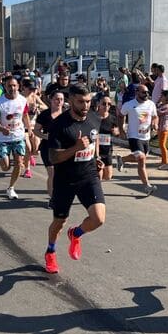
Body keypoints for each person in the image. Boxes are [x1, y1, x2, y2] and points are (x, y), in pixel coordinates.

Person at [44, 83, 106, 274]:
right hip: (65, 179)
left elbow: (94, 138)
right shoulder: (59, 125)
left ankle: (76, 233)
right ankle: (50, 251)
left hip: (88, 176)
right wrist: (76, 148)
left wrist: (96, 158)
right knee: (59, 222)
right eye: (80, 102)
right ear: (70, 101)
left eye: (88, 101)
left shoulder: (94, 118)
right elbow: (53, 158)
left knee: (98, 219)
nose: (85, 106)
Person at [0, 77, 30, 200]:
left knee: (19, 163)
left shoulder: (23, 100)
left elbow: (25, 116)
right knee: (5, 167)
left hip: (18, 136)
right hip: (3, 138)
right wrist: (2, 129)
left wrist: (29, 130)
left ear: (18, 86)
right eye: (9, 86)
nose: (12, 88)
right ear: (5, 87)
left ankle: (11, 188)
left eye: (14, 85)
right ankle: (3, 159)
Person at [117, 84, 159, 195]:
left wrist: (155, 123)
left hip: (146, 137)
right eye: (144, 92)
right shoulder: (129, 105)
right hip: (134, 136)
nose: (146, 94)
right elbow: (121, 116)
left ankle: (122, 159)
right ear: (137, 92)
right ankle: (147, 186)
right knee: (141, 158)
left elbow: (155, 116)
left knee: (141, 158)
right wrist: (121, 130)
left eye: (148, 92)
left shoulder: (151, 104)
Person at [34, 90, 65, 207]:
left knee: (61, 174)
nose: (59, 101)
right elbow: (36, 130)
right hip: (48, 148)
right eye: (56, 99)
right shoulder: (45, 115)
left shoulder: (66, 114)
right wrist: (45, 136)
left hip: (63, 148)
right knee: (52, 172)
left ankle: (60, 195)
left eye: (61, 99)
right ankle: (53, 198)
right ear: (51, 100)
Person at [22, 78, 44, 178]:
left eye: (34, 89)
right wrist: (27, 109)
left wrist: (38, 106)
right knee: (28, 148)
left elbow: (45, 107)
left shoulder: (34, 97)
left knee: (36, 150)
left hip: (34, 127)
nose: (32, 91)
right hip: (22, 127)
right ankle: (27, 170)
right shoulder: (20, 98)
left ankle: (30, 155)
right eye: (30, 89)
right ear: (24, 88)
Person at [96, 95, 119, 180]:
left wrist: (116, 132)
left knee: (108, 176)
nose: (106, 106)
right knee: (99, 175)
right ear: (98, 104)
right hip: (96, 150)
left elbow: (117, 132)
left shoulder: (112, 118)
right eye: (104, 103)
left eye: (109, 104)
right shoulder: (93, 117)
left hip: (107, 150)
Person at [156, 90, 168, 169]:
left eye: (162, 96)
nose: (160, 97)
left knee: (162, 145)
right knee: (161, 145)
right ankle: (163, 161)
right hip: (160, 128)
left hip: (164, 128)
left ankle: (166, 163)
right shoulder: (161, 105)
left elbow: (157, 112)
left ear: (166, 97)